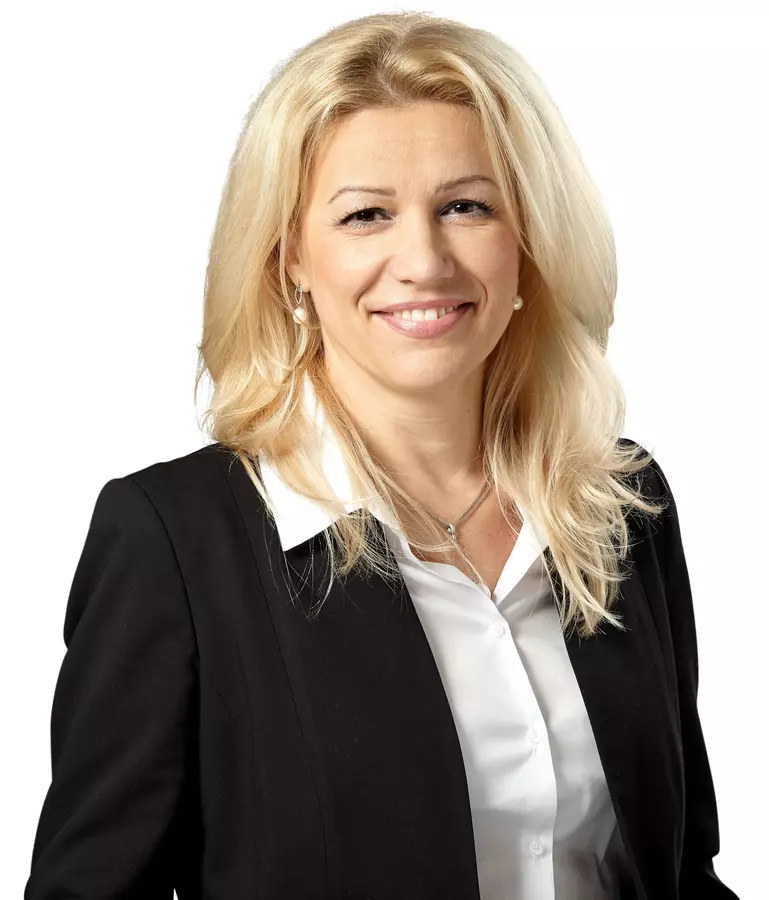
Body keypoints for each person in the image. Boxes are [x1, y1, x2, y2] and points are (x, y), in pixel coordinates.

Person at [24, 10, 739, 900]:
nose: (423, 261)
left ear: (527, 238)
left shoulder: (617, 503)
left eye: (465, 206)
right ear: (290, 256)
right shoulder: (174, 542)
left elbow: (683, 872)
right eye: (365, 215)